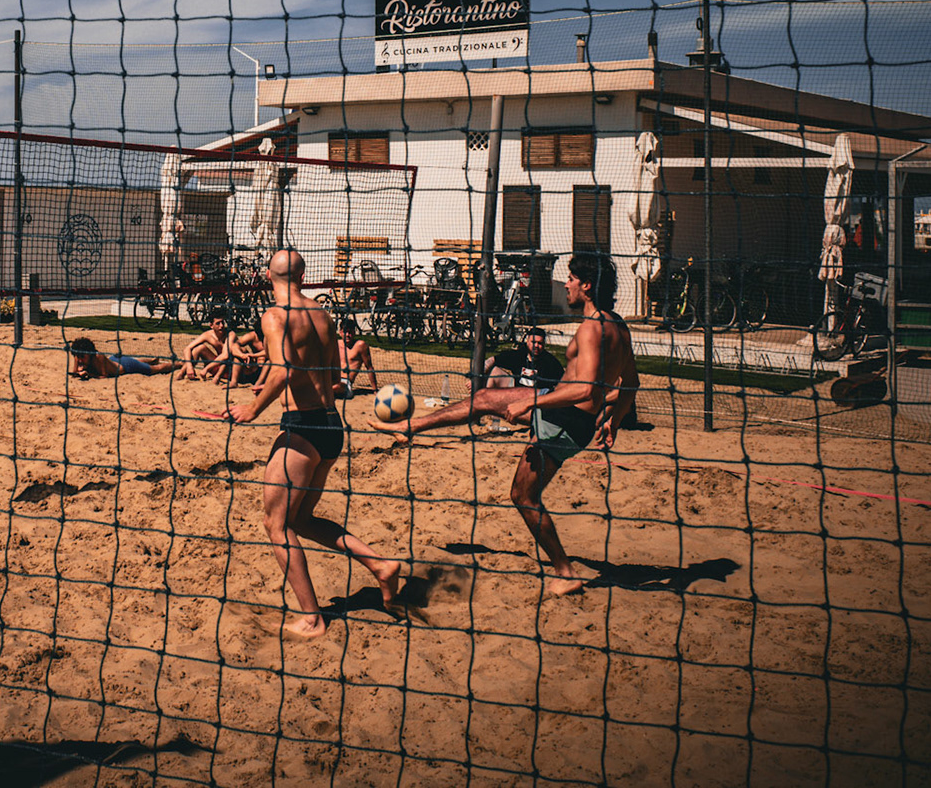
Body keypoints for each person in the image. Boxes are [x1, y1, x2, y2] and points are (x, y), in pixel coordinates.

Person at [384, 251, 639, 597]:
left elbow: (586, 389)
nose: (566, 284)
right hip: (569, 416)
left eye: (571, 279)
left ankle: (565, 571)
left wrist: (529, 402)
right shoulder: (618, 325)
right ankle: (410, 427)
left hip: (564, 419)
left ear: (587, 285)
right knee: (485, 399)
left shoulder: (593, 329)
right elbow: (631, 383)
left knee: (522, 495)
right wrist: (615, 421)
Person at [225, 249, 403, 638]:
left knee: (276, 525)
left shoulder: (273, 315)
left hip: (301, 429)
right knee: (301, 521)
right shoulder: (323, 315)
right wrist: (273, 380)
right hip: (330, 426)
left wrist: (254, 407)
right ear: (304, 276)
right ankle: (380, 565)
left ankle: (312, 616)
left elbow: (285, 370)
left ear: (265, 275)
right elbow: (331, 375)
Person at [67, 337, 183, 379]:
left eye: (82, 357)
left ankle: (180, 364)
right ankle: (152, 359)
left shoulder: (99, 357)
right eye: (78, 357)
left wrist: (89, 375)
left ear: (89, 353)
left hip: (125, 367)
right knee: (136, 360)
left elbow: (104, 376)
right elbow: (74, 373)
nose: (80, 360)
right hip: (113, 359)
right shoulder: (79, 356)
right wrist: (78, 370)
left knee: (155, 369)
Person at [335, 316, 377, 396]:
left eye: (350, 332)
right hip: (332, 379)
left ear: (354, 332)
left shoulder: (360, 346)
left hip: (345, 383)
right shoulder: (336, 344)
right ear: (340, 332)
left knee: (336, 387)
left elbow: (369, 368)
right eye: (345, 332)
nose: (347, 335)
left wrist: (375, 390)